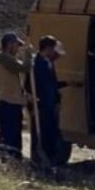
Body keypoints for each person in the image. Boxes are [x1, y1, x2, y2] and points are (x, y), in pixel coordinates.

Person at [0, 32, 32, 162]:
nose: (18, 49)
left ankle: (5, 155)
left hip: (12, 99)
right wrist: (28, 55)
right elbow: (24, 68)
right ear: (9, 45)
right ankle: (9, 156)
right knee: (11, 129)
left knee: (9, 129)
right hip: (10, 100)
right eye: (16, 46)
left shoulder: (7, 59)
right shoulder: (4, 58)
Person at [29, 35, 66, 169]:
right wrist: (34, 105)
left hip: (50, 107)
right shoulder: (37, 64)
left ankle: (50, 162)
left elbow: (51, 85)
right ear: (49, 48)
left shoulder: (48, 63)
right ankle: (38, 162)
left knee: (51, 135)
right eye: (54, 49)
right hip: (41, 107)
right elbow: (34, 86)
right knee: (42, 136)